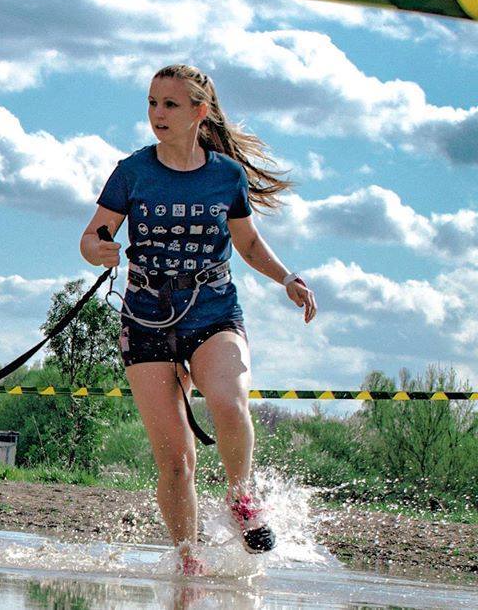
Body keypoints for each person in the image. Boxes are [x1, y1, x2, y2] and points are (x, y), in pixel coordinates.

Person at [80, 64, 316, 575]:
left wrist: (287, 279)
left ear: (198, 113)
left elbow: (248, 243)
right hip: (146, 320)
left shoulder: (225, 176)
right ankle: (189, 563)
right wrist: (100, 250)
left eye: (169, 104)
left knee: (230, 403)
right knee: (177, 462)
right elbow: (91, 236)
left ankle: (241, 497)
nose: (157, 114)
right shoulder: (132, 171)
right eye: (151, 103)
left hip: (213, 311)